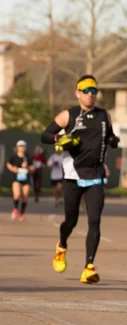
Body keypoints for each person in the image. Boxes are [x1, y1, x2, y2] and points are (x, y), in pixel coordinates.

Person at [41, 75, 120, 283]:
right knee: (71, 221)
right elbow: (46, 135)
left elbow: (109, 136)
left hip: (95, 175)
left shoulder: (104, 116)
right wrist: (60, 138)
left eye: (94, 91)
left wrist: (113, 141)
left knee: (94, 220)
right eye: (86, 91)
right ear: (77, 93)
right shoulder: (69, 115)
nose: (90, 95)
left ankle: (89, 267)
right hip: (72, 175)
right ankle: (62, 245)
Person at [6, 140, 34, 221]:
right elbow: (8, 164)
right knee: (17, 194)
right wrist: (13, 169)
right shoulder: (13, 156)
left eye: (23, 146)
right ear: (17, 147)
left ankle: (22, 213)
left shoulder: (28, 157)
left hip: (26, 178)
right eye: (20, 146)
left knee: (25, 196)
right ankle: (15, 209)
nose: (21, 148)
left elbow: (32, 168)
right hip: (16, 178)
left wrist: (27, 168)